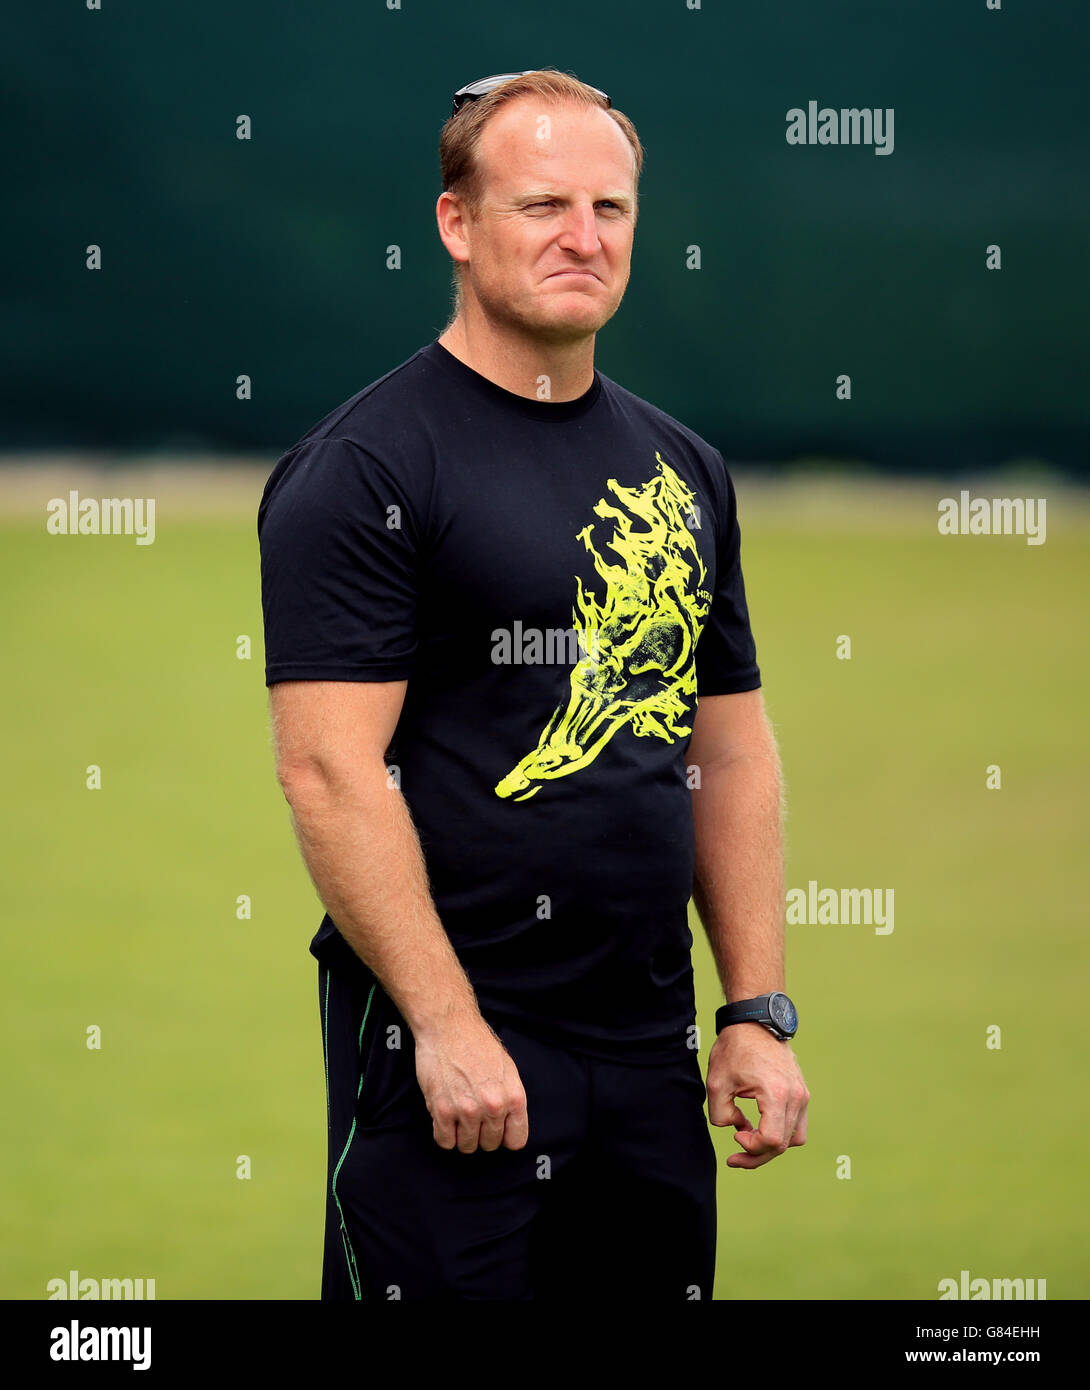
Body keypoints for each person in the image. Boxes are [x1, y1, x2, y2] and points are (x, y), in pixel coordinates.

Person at [257, 67, 809, 1302]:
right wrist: (447, 1029)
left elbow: (728, 746)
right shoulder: (365, 467)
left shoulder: (682, 468)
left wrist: (754, 1009)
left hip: (651, 1051)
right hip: (452, 1060)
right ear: (456, 226)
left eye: (610, 210)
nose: (583, 237)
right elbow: (329, 769)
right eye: (542, 205)